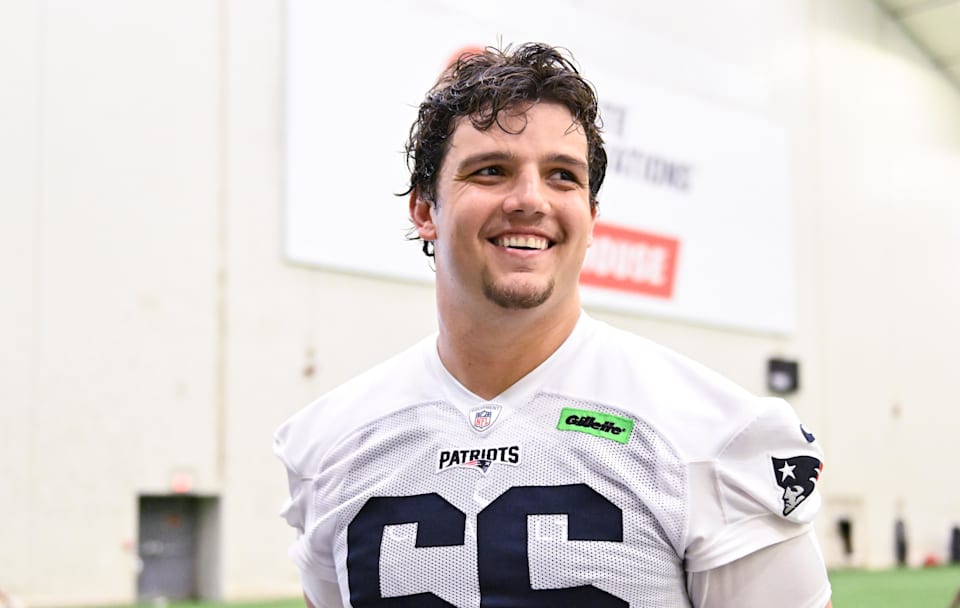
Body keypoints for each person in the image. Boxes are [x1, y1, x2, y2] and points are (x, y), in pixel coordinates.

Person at [273, 42, 832, 607]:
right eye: (491, 170)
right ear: (424, 210)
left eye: (563, 177)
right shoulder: (330, 444)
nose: (530, 200)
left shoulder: (712, 433)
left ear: (591, 217)